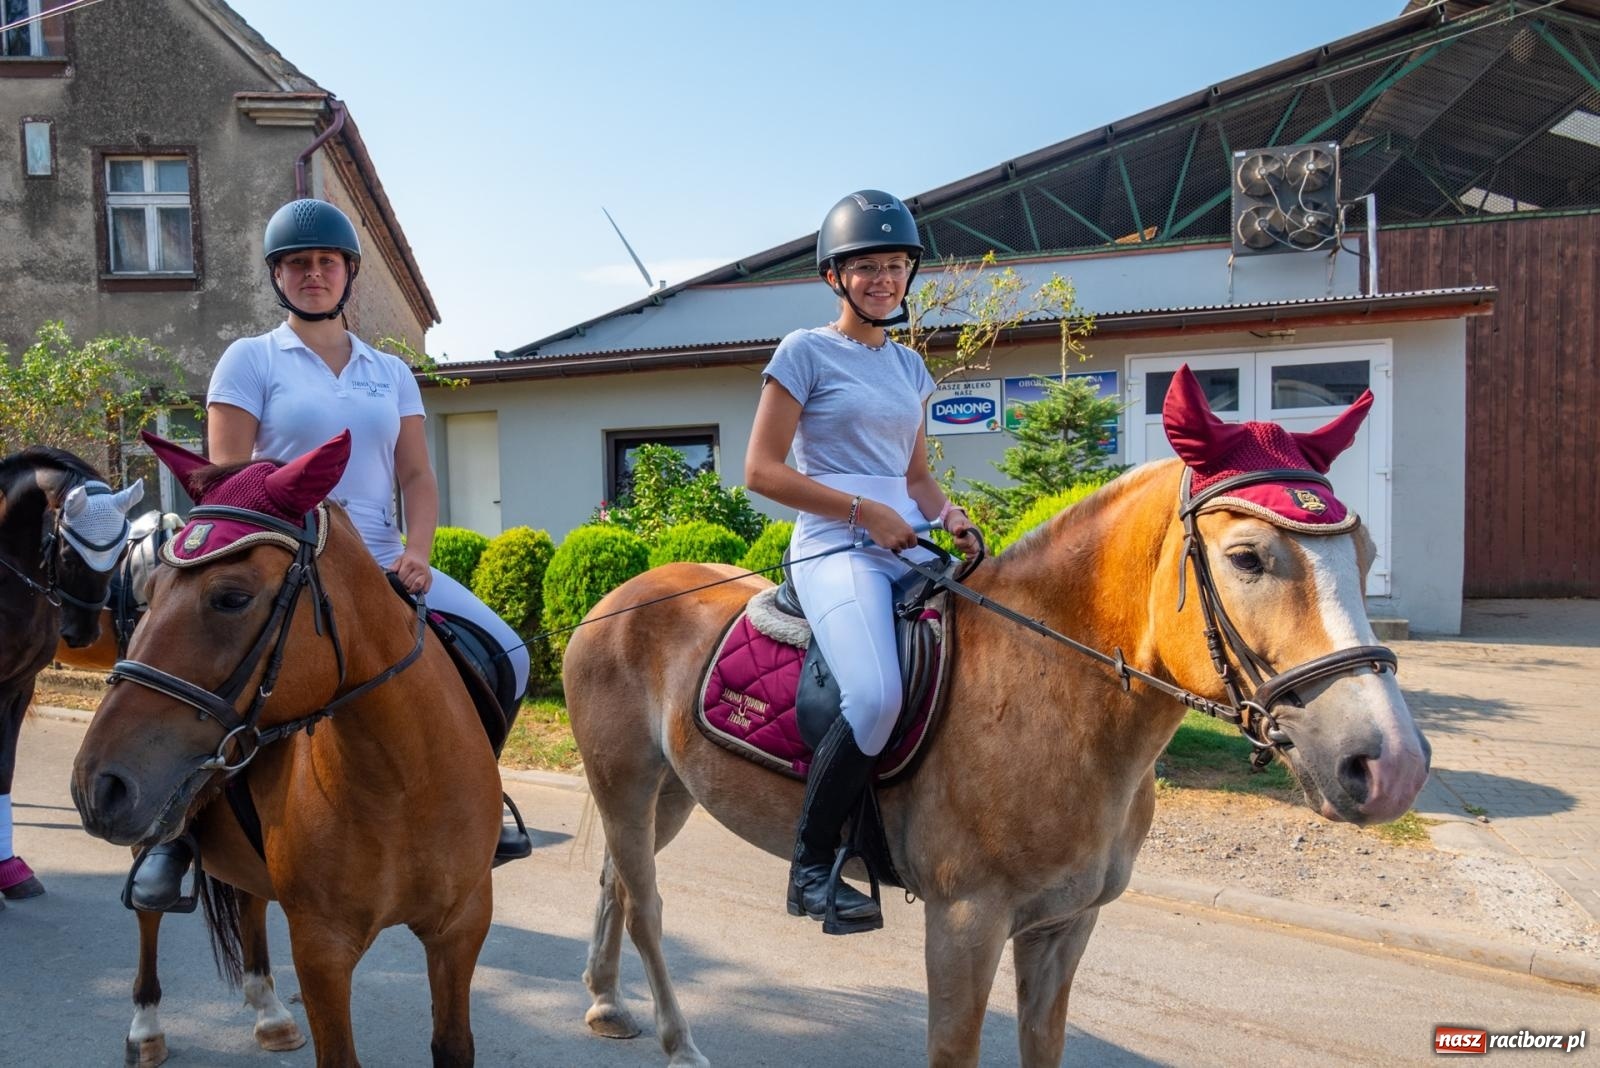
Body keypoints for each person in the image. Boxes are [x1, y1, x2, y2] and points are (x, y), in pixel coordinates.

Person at [127, 199, 533, 912]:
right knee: (220, 684)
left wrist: (417, 552)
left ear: (349, 274)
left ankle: (478, 801)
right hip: (282, 562)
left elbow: (417, 476)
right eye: (297, 264)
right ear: (277, 277)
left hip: (380, 561)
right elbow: (230, 483)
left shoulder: (390, 372)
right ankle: (177, 836)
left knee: (506, 652)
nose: (313, 274)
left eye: (326, 263)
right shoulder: (250, 359)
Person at [744, 190, 980, 934]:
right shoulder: (803, 352)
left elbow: (915, 479)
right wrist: (858, 512)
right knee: (875, 696)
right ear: (835, 278)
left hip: (907, 541)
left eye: (896, 265)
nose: (884, 278)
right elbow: (760, 471)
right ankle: (813, 867)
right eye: (868, 266)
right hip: (833, 546)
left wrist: (949, 513)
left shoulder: (911, 367)